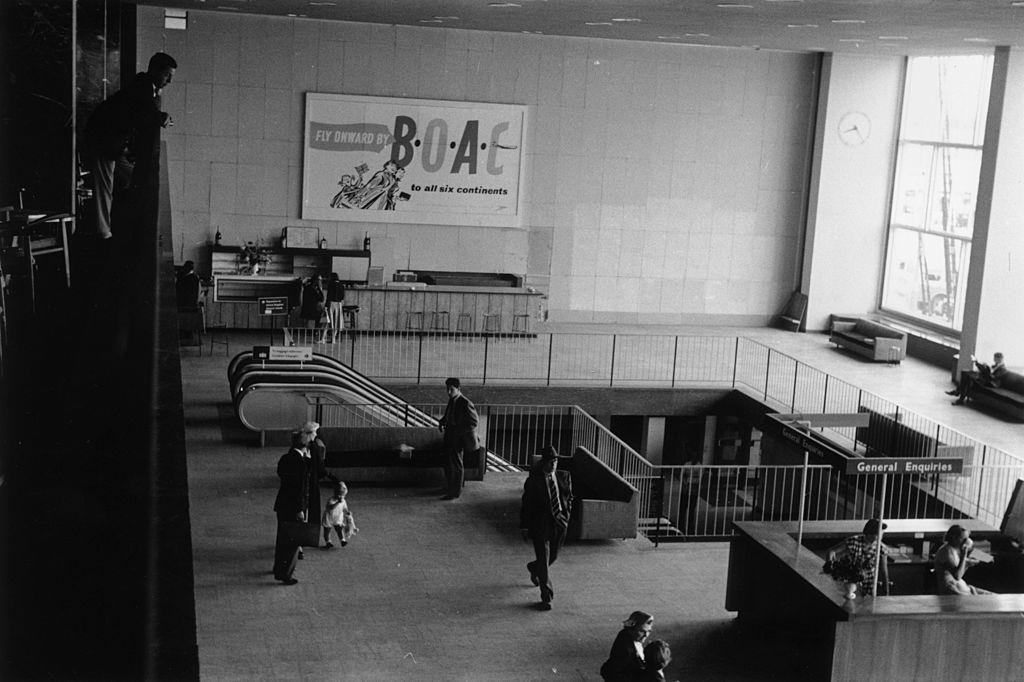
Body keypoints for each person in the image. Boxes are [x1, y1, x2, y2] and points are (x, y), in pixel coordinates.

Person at [83, 52, 176, 239]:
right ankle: (102, 233)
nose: (169, 81)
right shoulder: (143, 86)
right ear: (154, 70)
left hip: (112, 140)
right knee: (104, 186)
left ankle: (110, 225)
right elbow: (146, 111)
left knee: (128, 179)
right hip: (103, 139)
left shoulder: (145, 86)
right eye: (167, 75)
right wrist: (161, 117)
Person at [520, 445, 573, 611]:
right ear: (543, 463)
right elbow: (526, 505)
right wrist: (525, 526)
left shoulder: (564, 476)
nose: (553, 465)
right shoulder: (533, 482)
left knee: (553, 556)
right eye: (550, 462)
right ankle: (546, 597)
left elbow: (569, 497)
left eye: (555, 462)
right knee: (544, 560)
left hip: (559, 523)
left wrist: (566, 516)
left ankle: (533, 568)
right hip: (541, 524)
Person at [272, 431, 311, 585]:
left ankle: (278, 569)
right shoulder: (301, 463)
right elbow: (299, 489)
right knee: (292, 543)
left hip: (282, 503)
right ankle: (285, 574)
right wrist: (300, 509)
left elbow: (282, 475)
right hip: (293, 507)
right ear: (305, 445)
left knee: (281, 539)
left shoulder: (285, 458)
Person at [826, 518, 891, 597]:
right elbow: (831, 551)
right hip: (850, 585)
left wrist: (887, 592)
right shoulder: (854, 541)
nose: (881, 536)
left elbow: (884, 572)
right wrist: (831, 569)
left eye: (882, 533)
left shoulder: (881, 549)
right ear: (870, 532)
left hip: (869, 586)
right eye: (879, 533)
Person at [438, 377, 479, 500]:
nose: (448, 392)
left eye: (451, 389)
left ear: (458, 389)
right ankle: (451, 487)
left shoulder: (465, 402)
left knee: (456, 465)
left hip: (457, 438)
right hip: (450, 436)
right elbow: (448, 415)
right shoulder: (452, 400)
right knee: (449, 463)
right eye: (447, 389)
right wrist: (442, 422)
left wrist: (458, 432)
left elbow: (473, 421)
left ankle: (454, 492)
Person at [934, 524, 994, 595]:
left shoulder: (957, 548)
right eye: (964, 539)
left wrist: (987, 558)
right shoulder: (947, 551)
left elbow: (971, 552)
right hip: (953, 589)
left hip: (962, 587)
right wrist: (965, 557)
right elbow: (957, 576)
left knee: (992, 595)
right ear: (954, 538)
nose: (966, 541)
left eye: (967, 538)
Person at [599, 611, 654, 680]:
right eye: (642, 631)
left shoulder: (628, 635)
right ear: (631, 630)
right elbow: (613, 673)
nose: (646, 635)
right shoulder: (625, 650)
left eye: (649, 631)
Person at [321, 481, 358, 548]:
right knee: (327, 530)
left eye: (343, 495)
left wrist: (347, 512)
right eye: (339, 495)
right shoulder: (331, 500)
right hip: (329, 517)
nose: (341, 497)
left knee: (339, 529)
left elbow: (345, 508)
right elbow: (331, 508)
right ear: (335, 493)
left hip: (337, 517)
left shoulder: (343, 501)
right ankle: (328, 542)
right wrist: (337, 502)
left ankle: (342, 540)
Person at [300, 274, 328, 343]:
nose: (321, 281)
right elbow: (322, 299)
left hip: (307, 309)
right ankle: (318, 333)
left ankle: (314, 332)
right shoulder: (315, 288)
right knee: (324, 316)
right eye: (320, 280)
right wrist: (320, 289)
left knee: (321, 314)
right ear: (317, 281)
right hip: (314, 310)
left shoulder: (307, 287)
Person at [327, 273, 346, 341]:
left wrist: (326, 305)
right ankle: (334, 336)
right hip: (339, 303)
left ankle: (332, 336)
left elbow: (329, 296)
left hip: (332, 303)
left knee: (330, 320)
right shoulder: (341, 285)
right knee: (337, 320)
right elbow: (342, 296)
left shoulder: (331, 285)